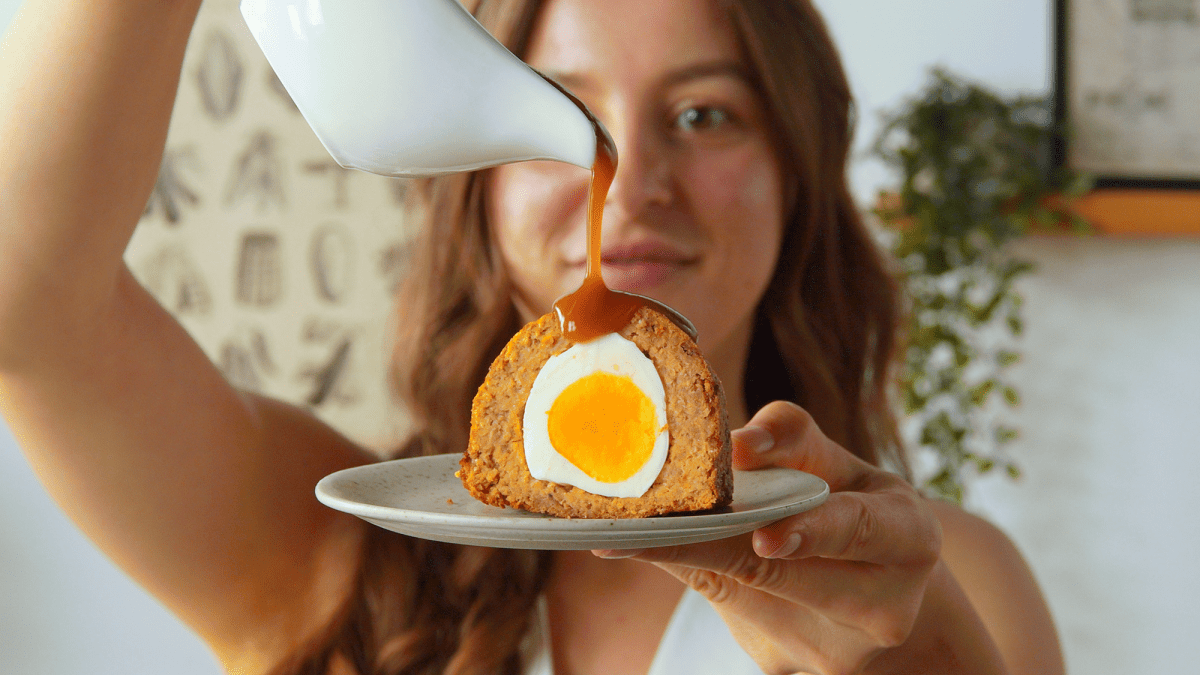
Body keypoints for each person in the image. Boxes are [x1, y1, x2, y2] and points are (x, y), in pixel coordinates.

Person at [0, 0, 1064, 673]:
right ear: (480, 189)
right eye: (558, 106)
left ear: (797, 178)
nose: (632, 183)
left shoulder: (940, 582)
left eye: (704, 115)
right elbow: (24, 307)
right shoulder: (328, 554)